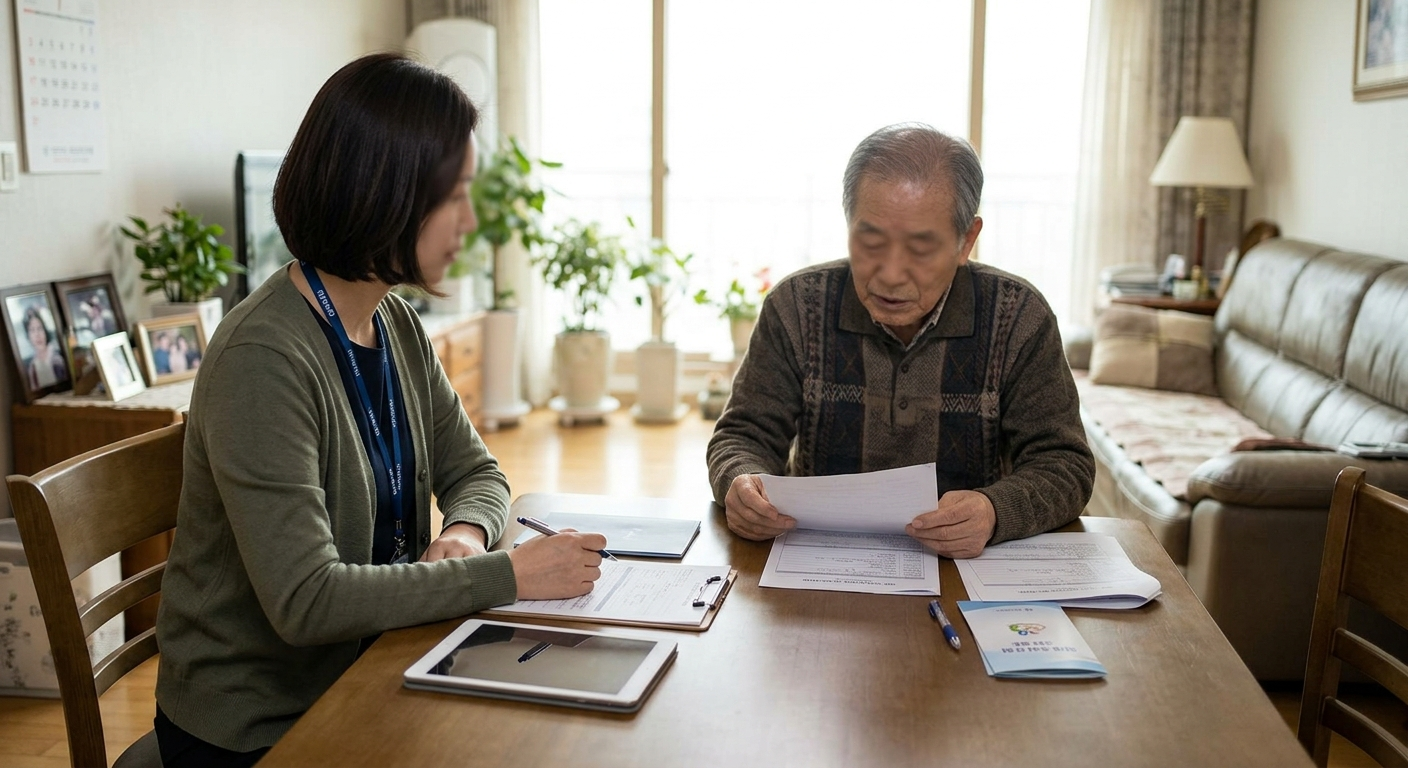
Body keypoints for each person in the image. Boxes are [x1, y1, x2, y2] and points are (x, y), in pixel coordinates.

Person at [153, 53, 607, 767]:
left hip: (378, 665)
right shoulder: (262, 360)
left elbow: (478, 473)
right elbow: (307, 600)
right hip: (263, 724)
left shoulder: (393, 322)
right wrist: (510, 574)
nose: (471, 220)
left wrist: (464, 534)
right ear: (385, 193)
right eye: (454, 195)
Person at [707, 123, 1094, 560]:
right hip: (817, 562)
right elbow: (742, 435)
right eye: (870, 241)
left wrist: (993, 511)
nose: (890, 275)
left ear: (966, 241)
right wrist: (741, 482)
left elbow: (1065, 464)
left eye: (920, 249)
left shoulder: (1019, 316)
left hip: (963, 568)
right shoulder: (796, 305)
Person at [21, 306, 67, 390]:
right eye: (32, 330)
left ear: (45, 331)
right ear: (28, 336)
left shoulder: (58, 358)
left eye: (39, 328)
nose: (37, 334)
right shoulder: (32, 368)